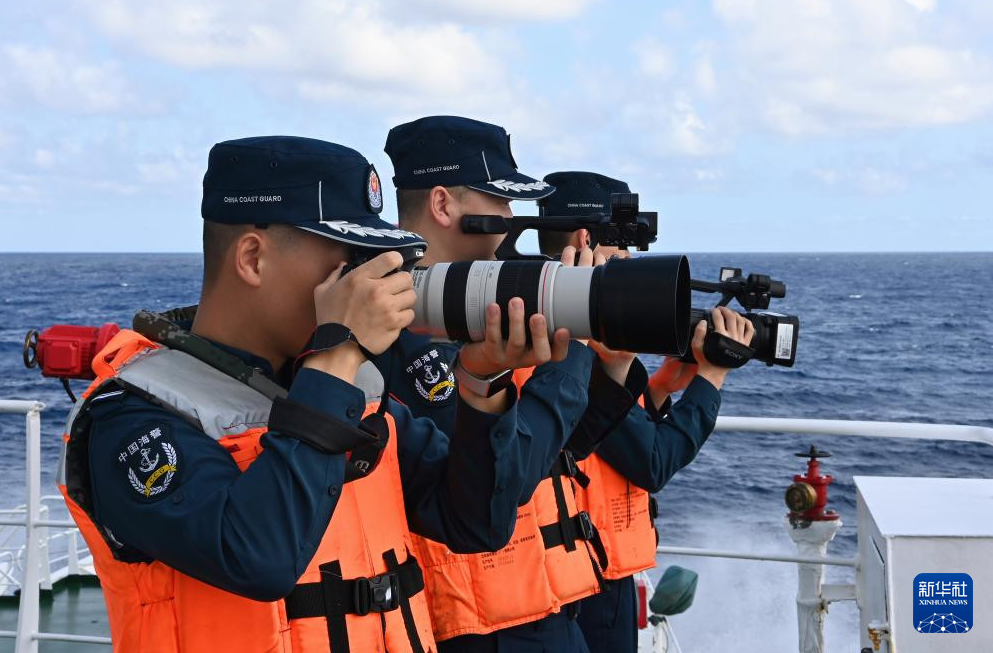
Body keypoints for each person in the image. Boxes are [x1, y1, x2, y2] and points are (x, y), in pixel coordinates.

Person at [57, 135, 595, 653]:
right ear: (252, 258)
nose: (367, 285)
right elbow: (259, 558)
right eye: (347, 263)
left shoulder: (352, 394)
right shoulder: (131, 419)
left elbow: (475, 520)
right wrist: (339, 354)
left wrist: (482, 383)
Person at [378, 116, 687, 653]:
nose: (509, 221)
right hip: (473, 626)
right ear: (443, 205)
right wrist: (575, 347)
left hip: (541, 607)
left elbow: (556, 457)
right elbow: (506, 478)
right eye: (498, 203)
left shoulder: (475, 314)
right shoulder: (394, 334)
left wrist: (610, 370)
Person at [538, 170, 754, 652]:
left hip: (580, 566)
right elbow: (650, 461)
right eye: (625, 251)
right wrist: (712, 379)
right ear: (585, 240)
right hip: (589, 581)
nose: (633, 265)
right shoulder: (576, 342)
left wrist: (659, 388)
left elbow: (601, 439)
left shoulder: (550, 326)